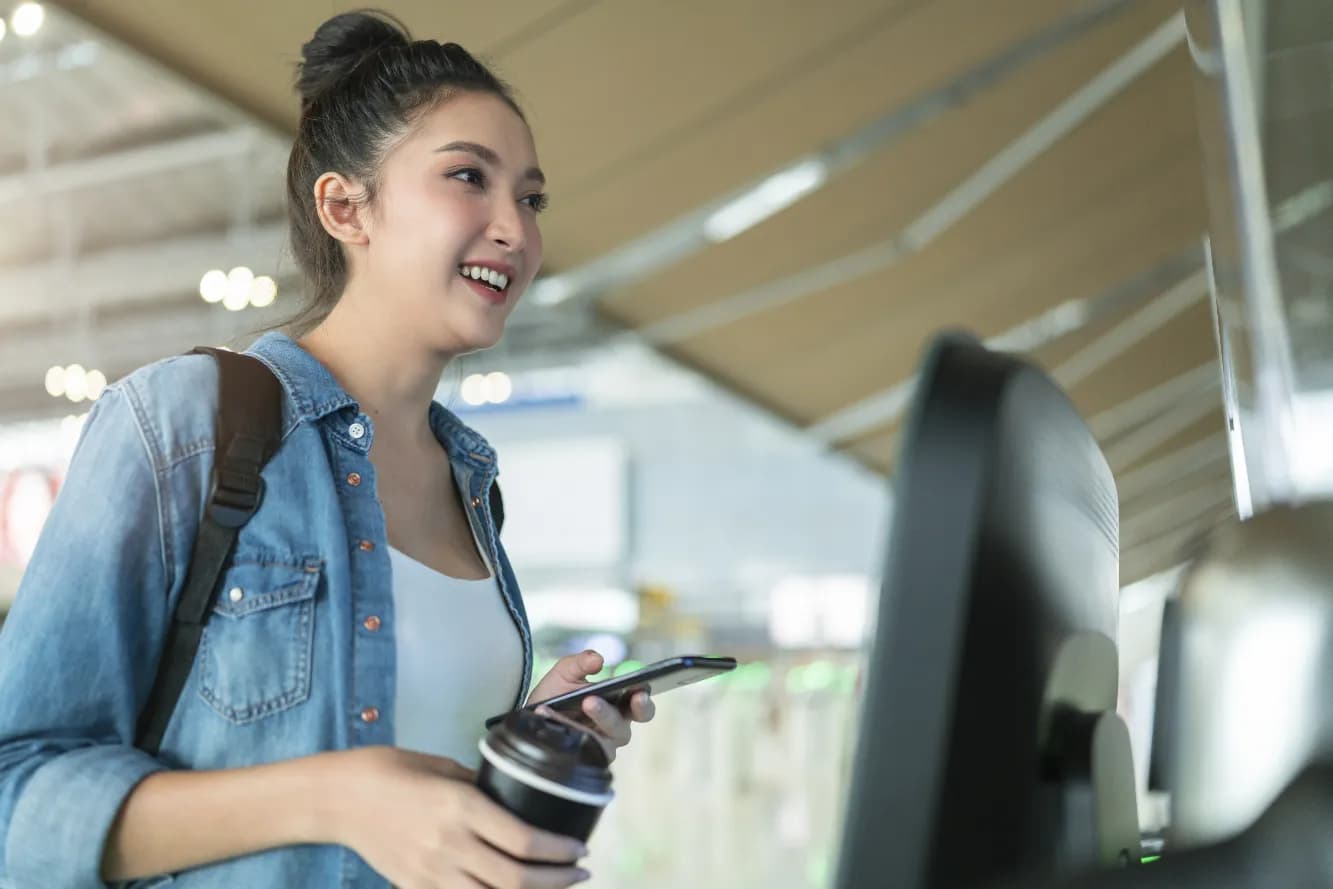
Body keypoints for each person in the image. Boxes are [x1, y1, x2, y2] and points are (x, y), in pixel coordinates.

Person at [0, 10, 653, 889]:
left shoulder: (470, 484)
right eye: (469, 177)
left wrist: (526, 739)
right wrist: (337, 798)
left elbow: (417, 795)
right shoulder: (188, 424)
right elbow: (16, 797)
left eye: (530, 198)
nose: (517, 230)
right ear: (346, 207)